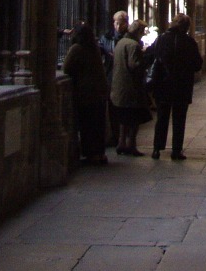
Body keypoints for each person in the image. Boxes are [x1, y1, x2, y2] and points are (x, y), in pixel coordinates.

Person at [149, 13, 203, 160]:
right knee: (179, 119)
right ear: (187, 27)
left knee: (162, 118)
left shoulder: (161, 39)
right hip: (182, 86)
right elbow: (198, 65)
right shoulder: (189, 42)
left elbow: (149, 56)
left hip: (163, 85)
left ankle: (156, 149)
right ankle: (176, 150)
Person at [63, 20, 110, 165]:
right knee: (98, 125)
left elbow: (66, 68)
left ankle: (91, 155)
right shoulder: (94, 47)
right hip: (99, 92)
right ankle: (99, 153)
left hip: (86, 93)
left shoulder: (77, 48)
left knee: (87, 126)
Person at [110, 18, 151, 154]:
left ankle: (121, 143)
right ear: (138, 31)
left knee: (124, 119)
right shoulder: (133, 45)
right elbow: (135, 65)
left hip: (119, 86)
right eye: (143, 31)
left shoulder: (121, 42)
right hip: (131, 88)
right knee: (134, 119)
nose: (143, 34)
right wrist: (146, 60)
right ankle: (131, 145)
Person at [98, 10, 129, 147]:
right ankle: (115, 135)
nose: (118, 26)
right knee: (112, 106)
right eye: (116, 23)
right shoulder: (106, 37)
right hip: (110, 73)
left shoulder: (128, 38)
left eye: (121, 23)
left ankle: (122, 137)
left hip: (124, 76)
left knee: (123, 108)